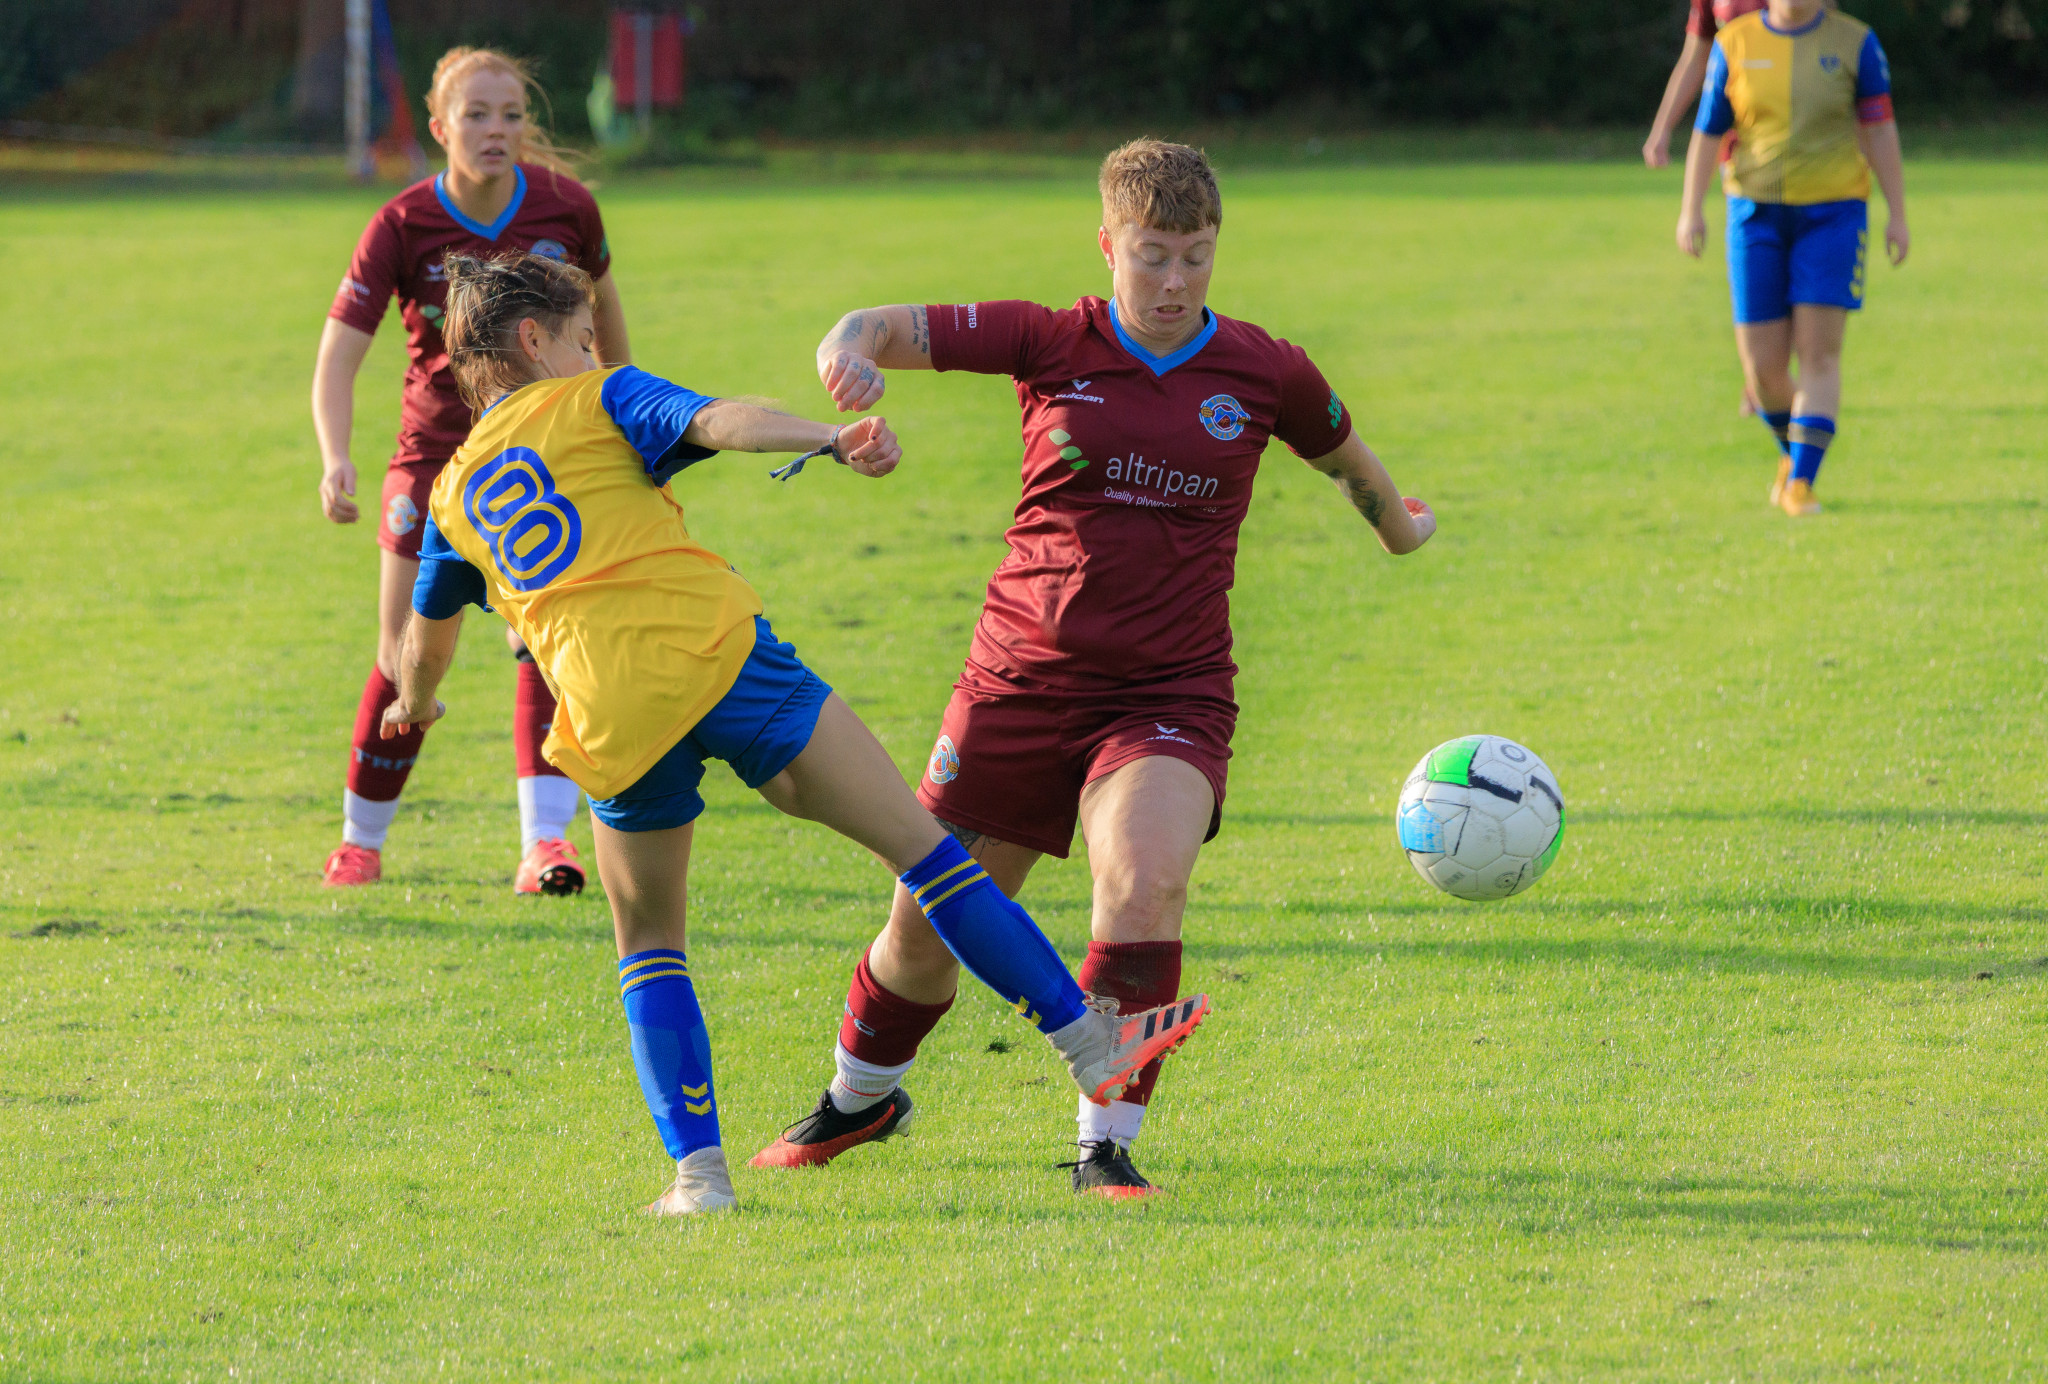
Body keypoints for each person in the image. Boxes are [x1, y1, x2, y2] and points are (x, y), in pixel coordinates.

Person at [381, 251, 1213, 1214]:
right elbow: (715, 417)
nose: (593, 349)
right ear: (535, 341)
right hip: (720, 658)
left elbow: (424, 644)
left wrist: (414, 703)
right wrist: (825, 435)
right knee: (924, 850)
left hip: (610, 717)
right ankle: (1089, 1045)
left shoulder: (451, 494)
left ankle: (699, 1179)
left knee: (651, 943)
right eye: (580, 338)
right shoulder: (594, 399)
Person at [749, 139, 1435, 1198]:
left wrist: (1400, 530)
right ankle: (860, 1095)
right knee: (925, 929)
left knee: (1144, 878)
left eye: (1196, 257)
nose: (1173, 283)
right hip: (1016, 680)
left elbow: (1343, 456)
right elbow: (888, 327)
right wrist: (849, 341)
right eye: (1152, 255)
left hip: (1168, 693)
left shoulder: (1260, 369)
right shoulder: (1048, 338)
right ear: (1107, 242)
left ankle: (1102, 1145)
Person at [314, 46, 627, 893]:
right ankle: (361, 840)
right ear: (439, 125)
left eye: (512, 114)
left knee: (542, 642)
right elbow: (339, 355)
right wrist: (335, 455)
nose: (498, 131)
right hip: (430, 465)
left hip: (544, 464)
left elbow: (605, 329)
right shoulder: (401, 223)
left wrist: (626, 427)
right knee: (404, 649)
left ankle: (545, 846)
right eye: (479, 115)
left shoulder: (568, 207)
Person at [1677, 0, 1909, 517]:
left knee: (1819, 353)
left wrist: (1897, 212)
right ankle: (1794, 453)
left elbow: (1880, 130)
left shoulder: (1855, 43)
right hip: (1754, 215)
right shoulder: (1733, 44)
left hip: (1833, 216)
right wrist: (1691, 208)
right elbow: (1708, 131)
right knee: (1763, 370)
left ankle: (1801, 483)